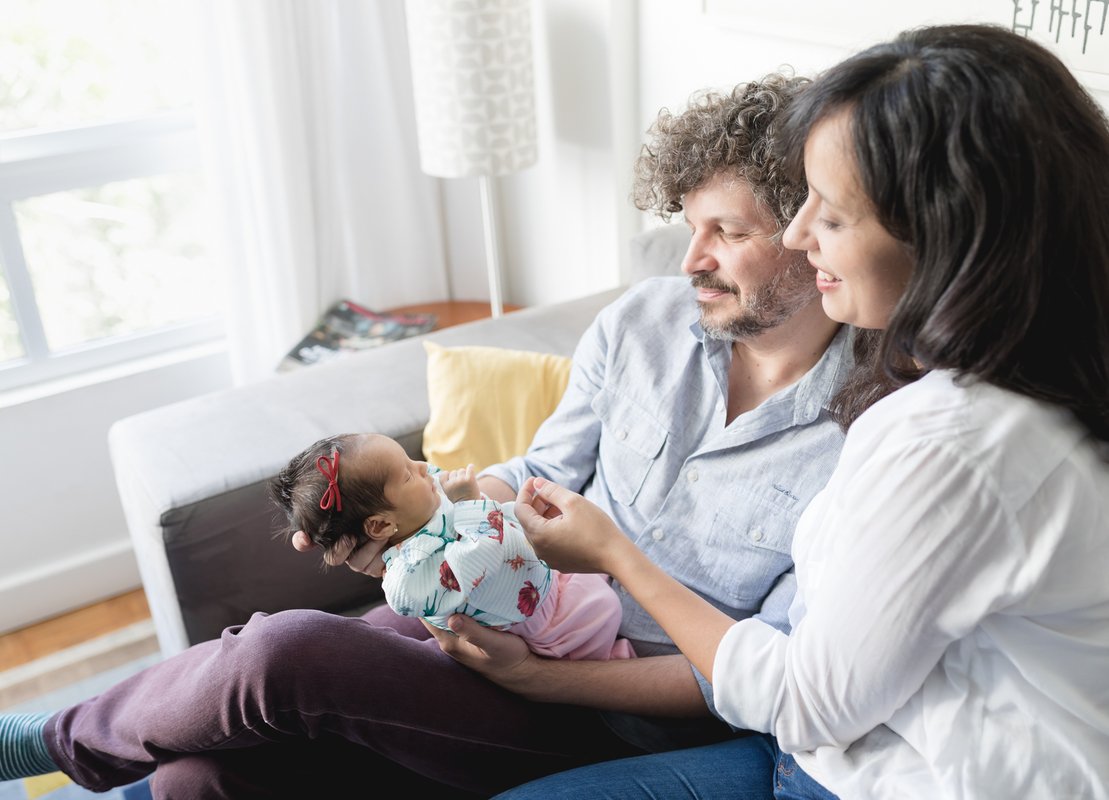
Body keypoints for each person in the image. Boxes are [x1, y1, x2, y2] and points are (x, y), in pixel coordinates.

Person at [0, 72, 856, 798]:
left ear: (812, 239)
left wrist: (539, 677)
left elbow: (753, 673)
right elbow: (542, 470)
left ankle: (53, 744)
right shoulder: (644, 323)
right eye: (689, 224)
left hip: (612, 710)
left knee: (286, 652)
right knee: (200, 780)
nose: (690, 259)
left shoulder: (865, 438)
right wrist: (421, 522)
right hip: (496, 601)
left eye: (727, 233)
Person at [463, 25, 1109, 800]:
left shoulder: (954, 442)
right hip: (836, 753)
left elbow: (808, 703)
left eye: (834, 215)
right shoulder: (1032, 378)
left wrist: (612, 566)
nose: (797, 233)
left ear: (944, 234)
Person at [273, 433, 634, 660]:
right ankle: (614, 658)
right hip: (547, 621)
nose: (424, 467)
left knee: (599, 593)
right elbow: (483, 557)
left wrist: (511, 511)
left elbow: (474, 512)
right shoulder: (406, 578)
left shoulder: (420, 507)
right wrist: (469, 504)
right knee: (602, 617)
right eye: (407, 473)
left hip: (548, 577)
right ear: (381, 525)